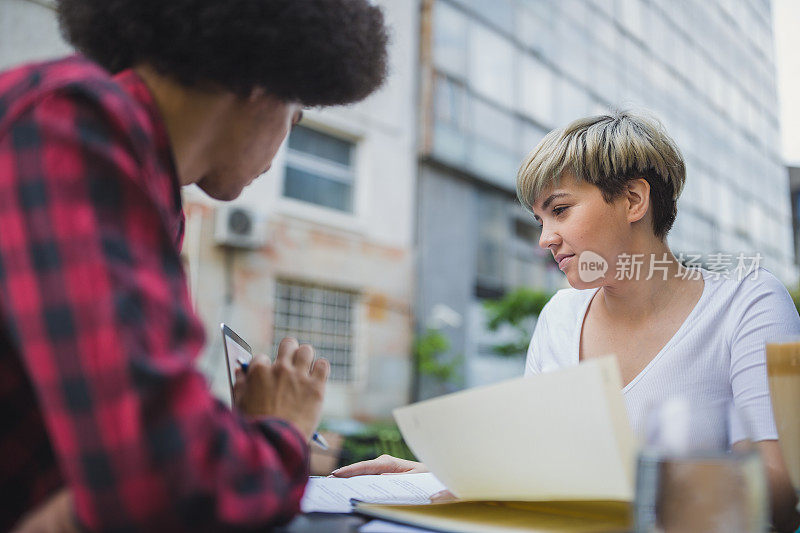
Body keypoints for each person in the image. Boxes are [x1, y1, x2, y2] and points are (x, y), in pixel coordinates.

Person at [0, 0, 389, 531]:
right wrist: (284, 429)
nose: (281, 146)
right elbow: (167, 487)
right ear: (261, 78)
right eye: (294, 117)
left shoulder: (145, 177)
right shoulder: (73, 126)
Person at [333, 111, 800, 532]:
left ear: (634, 199)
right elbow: (536, 471)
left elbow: (777, 495)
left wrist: (606, 503)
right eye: (539, 218)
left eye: (559, 210)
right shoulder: (560, 315)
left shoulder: (749, 302)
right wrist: (442, 478)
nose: (544, 239)